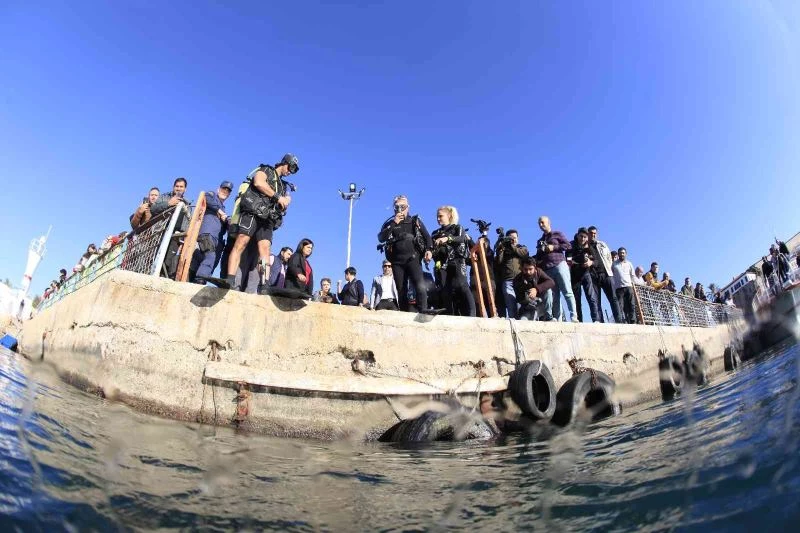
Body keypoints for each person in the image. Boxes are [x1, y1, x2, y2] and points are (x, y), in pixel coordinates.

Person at [225, 154, 299, 291]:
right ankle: (229, 279)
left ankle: (264, 284)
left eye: (293, 170)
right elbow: (258, 182)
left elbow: (286, 200)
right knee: (241, 242)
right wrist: (277, 197)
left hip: (268, 219)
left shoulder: (283, 185)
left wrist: (286, 199)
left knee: (265, 249)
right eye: (290, 167)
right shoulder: (266, 170)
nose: (290, 171)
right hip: (253, 211)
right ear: (284, 162)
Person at [377, 195, 433, 312]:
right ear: (394, 208)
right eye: (397, 207)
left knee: (419, 284)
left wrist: (428, 250)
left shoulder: (415, 221)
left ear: (408, 207)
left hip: (413, 258)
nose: (400, 210)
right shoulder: (390, 223)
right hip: (397, 261)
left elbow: (427, 237)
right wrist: (394, 223)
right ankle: (403, 312)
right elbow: (381, 238)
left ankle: (423, 310)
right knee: (401, 288)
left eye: (403, 207)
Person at [431, 206, 476, 317]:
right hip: (442, 263)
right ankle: (449, 315)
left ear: (449, 216)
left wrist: (447, 238)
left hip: (457, 260)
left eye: (440, 216)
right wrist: (434, 258)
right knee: (445, 290)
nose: (438, 219)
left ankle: (472, 314)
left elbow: (461, 239)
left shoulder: (457, 227)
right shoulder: (435, 233)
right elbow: (433, 249)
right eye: (437, 216)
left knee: (462, 286)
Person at [536, 216, 577, 322]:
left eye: (542, 222)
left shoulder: (557, 234)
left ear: (549, 222)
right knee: (555, 296)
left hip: (560, 265)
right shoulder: (540, 241)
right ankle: (558, 319)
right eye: (539, 223)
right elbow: (538, 257)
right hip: (548, 269)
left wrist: (554, 247)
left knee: (567, 291)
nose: (541, 225)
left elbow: (568, 246)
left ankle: (573, 316)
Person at [150, 177, 190, 278]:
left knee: (168, 262)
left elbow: (187, 224)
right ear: (173, 187)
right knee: (155, 258)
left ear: (185, 189)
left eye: (181, 187)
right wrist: (168, 203)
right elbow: (153, 209)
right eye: (177, 186)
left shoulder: (187, 204)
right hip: (160, 233)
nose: (179, 188)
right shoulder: (164, 197)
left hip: (175, 237)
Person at [192, 181, 232, 282]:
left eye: (227, 191)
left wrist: (228, 221)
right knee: (210, 256)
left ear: (229, 195)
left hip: (217, 241)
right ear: (218, 189)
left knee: (212, 261)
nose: (225, 192)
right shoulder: (212, 195)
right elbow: (206, 197)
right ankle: (200, 279)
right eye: (223, 189)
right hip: (206, 235)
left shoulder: (224, 210)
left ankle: (201, 280)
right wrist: (220, 212)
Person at [587, 226, 622, 323]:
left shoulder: (602, 244)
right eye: (591, 233)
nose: (593, 235)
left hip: (606, 274)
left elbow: (609, 257)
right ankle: (600, 321)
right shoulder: (585, 246)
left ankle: (619, 320)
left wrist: (609, 269)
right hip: (593, 276)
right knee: (596, 301)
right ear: (588, 234)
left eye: (594, 233)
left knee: (613, 298)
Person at [494, 229, 529, 319]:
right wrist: (501, 248)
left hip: (520, 280)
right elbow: (499, 261)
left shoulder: (522, 247)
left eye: (514, 238)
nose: (513, 240)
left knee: (522, 305)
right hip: (507, 280)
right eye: (510, 238)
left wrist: (511, 246)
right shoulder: (504, 249)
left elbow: (524, 254)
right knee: (511, 306)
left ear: (518, 238)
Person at [570, 229, 601, 322]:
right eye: (581, 236)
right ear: (577, 236)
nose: (582, 239)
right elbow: (568, 259)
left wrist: (590, 262)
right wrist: (577, 262)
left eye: (585, 237)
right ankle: (579, 321)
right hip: (574, 275)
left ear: (587, 237)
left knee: (591, 297)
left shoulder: (590, 247)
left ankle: (596, 320)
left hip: (586, 274)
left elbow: (597, 261)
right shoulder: (571, 245)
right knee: (577, 300)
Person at [612, 247, 638, 324]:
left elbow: (633, 275)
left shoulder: (629, 264)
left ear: (625, 254)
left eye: (623, 253)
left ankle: (633, 321)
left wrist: (634, 286)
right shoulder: (614, 264)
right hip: (619, 288)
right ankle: (621, 321)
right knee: (620, 306)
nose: (621, 254)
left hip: (629, 286)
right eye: (620, 253)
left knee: (631, 305)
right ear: (618, 254)